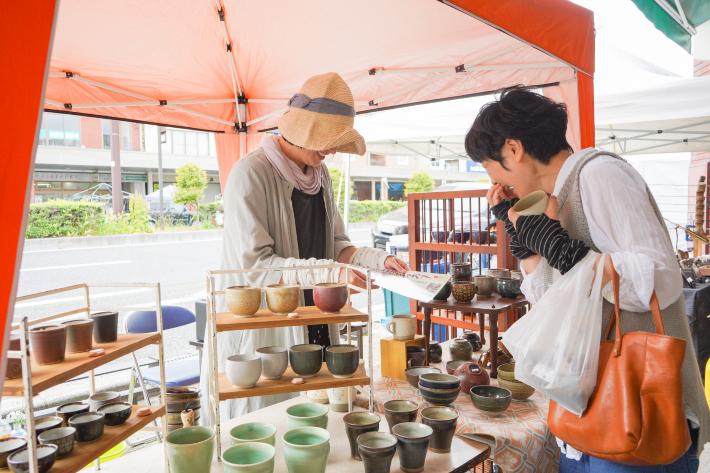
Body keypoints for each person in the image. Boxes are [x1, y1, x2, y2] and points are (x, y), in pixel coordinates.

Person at [465, 86, 709, 472]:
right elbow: (555, 301)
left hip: (641, 419)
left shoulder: (599, 174)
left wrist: (566, 250)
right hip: (585, 415)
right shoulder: (554, 198)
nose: (493, 179)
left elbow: (661, 280)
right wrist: (529, 247)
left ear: (513, 150)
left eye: (487, 165)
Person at [201, 72, 407, 423]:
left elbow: (337, 245)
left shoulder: (319, 175)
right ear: (301, 131)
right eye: (327, 139)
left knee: (317, 416)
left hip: (315, 317)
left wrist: (379, 260)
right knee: (270, 424)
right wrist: (331, 273)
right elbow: (256, 266)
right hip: (268, 326)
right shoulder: (251, 174)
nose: (330, 149)